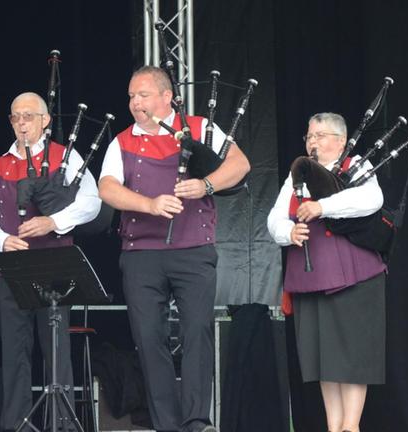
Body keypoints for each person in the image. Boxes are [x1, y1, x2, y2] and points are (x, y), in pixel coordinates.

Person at [98, 65, 250, 432]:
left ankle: (197, 421)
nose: (135, 103)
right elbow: (107, 187)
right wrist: (149, 204)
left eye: (143, 95)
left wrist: (206, 185)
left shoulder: (198, 127)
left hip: (193, 249)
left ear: (167, 97)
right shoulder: (122, 140)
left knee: (196, 331)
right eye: (132, 96)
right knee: (149, 339)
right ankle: (167, 424)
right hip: (140, 254)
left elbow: (240, 164)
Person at [0, 92, 101, 432]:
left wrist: (53, 221)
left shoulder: (65, 156)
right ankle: (17, 424)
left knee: (56, 350)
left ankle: (61, 424)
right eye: (15, 117)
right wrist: (3, 240)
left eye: (28, 116)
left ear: (45, 120)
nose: (21, 123)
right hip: (10, 268)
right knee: (14, 353)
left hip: (55, 264)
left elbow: (92, 202)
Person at [267, 113, 386, 432]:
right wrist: (288, 232)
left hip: (354, 274)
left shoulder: (355, 165)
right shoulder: (298, 174)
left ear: (341, 141)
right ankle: (334, 427)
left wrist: (323, 207)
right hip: (309, 276)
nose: (312, 142)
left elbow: (371, 199)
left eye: (320, 135)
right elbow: (276, 216)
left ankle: (351, 426)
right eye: (309, 136)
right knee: (324, 358)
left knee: (352, 355)